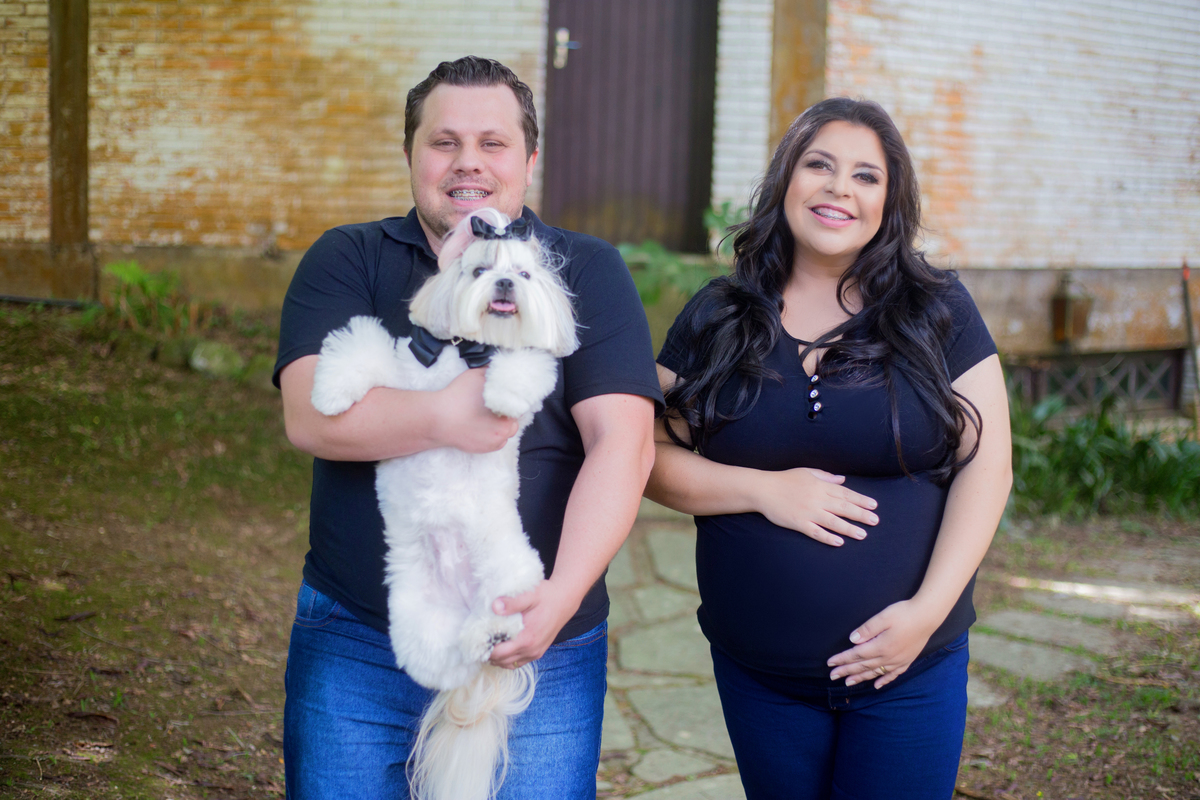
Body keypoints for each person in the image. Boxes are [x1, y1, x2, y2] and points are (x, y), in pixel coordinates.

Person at [273, 56, 661, 799]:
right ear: (410, 153)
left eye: (493, 143)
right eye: (444, 142)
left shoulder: (586, 269)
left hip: (537, 636)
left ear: (530, 158)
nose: (468, 163)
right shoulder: (347, 258)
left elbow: (624, 444)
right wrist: (449, 416)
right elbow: (310, 416)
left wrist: (558, 600)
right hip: (358, 637)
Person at [645, 97, 1012, 799]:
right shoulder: (719, 314)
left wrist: (926, 613)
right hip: (761, 677)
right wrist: (764, 490)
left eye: (866, 175)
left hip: (911, 668)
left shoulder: (938, 308)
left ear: (889, 201)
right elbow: (642, 452)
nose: (840, 188)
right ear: (786, 180)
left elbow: (988, 465)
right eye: (819, 165)